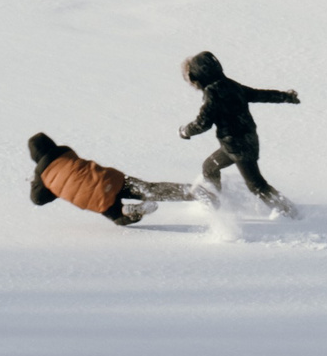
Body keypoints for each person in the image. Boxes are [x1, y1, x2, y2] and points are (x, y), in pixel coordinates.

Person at [178, 51, 300, 213]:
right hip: (244, 141)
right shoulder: (231, 85)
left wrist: (186, 131)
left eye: (192, 78)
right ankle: (214, 203)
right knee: (209, 167)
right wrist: (285, 96)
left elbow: (203, 123)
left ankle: (290, 212)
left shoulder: (212, 93)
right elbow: (258, 94)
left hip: (236, 145)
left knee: (256, 185)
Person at [27, 133, 196, 226]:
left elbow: (38, 199)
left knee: (118, 218)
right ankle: (193, 191)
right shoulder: (65, 152)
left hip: (97, 200)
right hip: (108, 178)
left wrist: (38, 182)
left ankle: (128, 212)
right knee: (149, 188)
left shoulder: (43, 178)